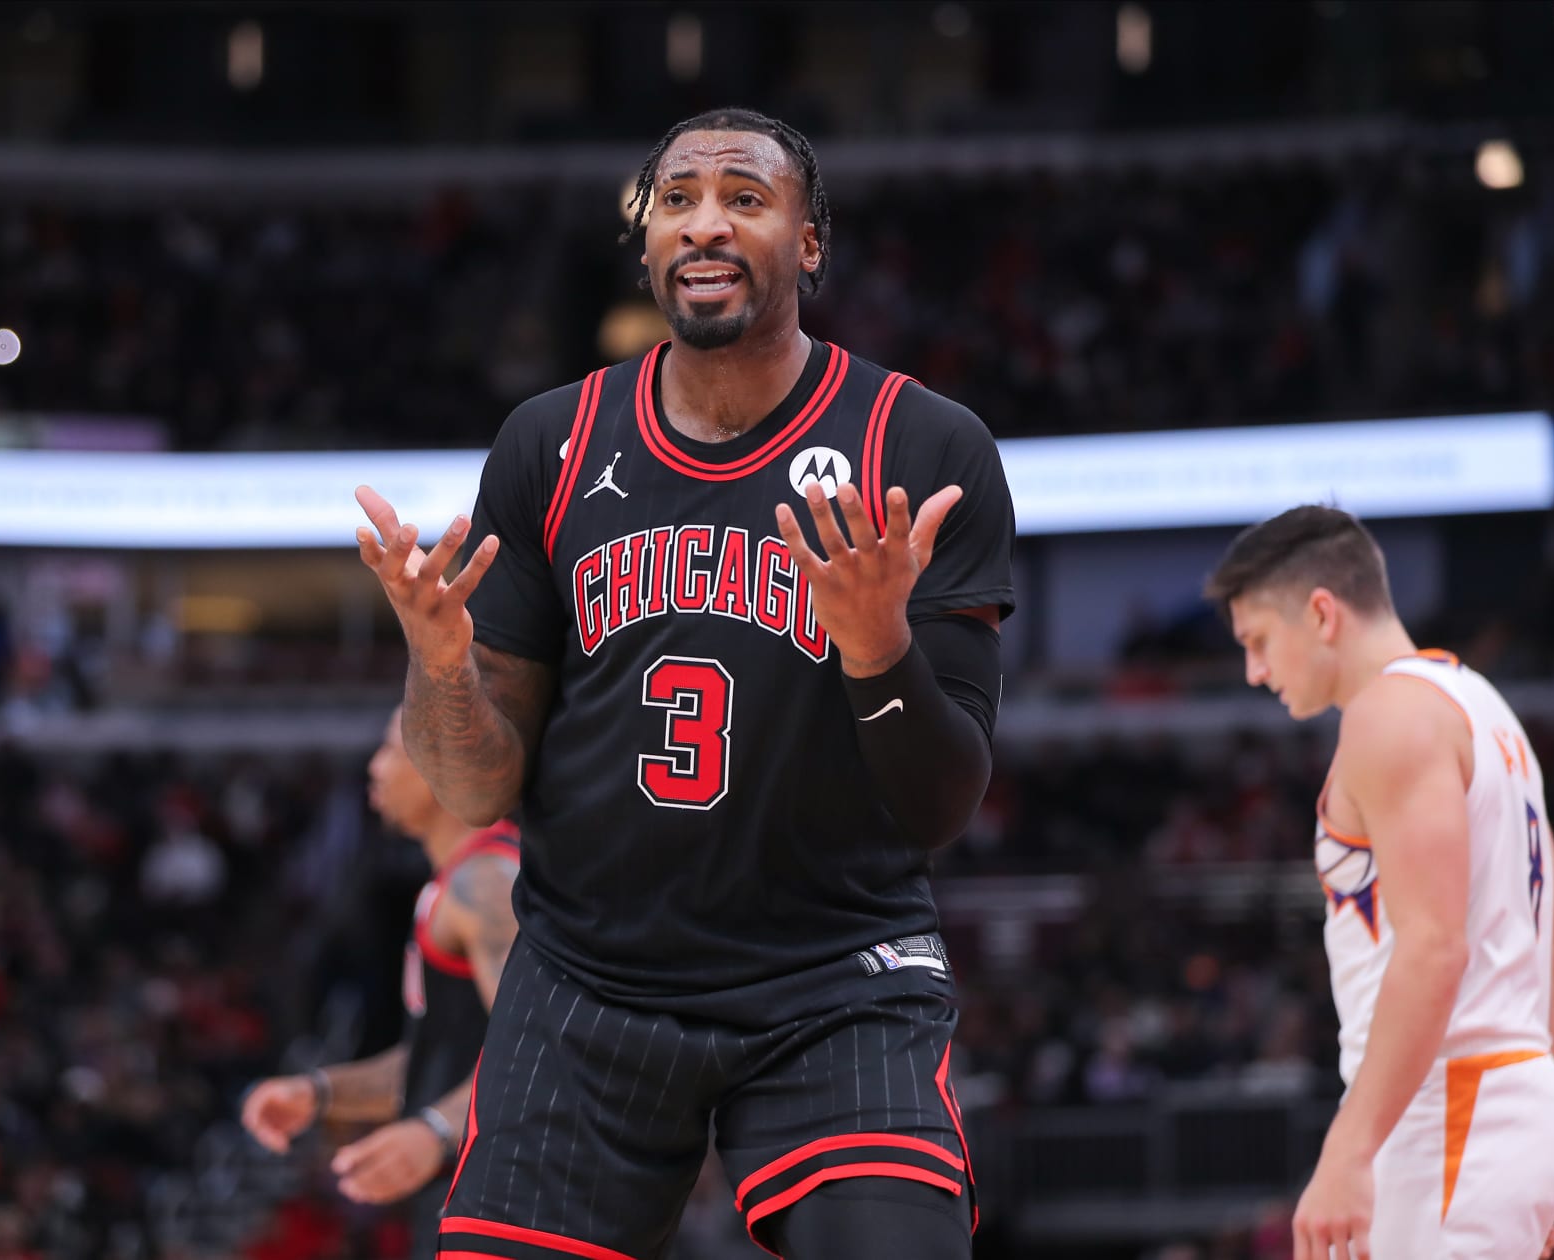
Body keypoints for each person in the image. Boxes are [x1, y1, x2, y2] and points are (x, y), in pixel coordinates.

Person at [355, 106, 1014, 1260]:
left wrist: (877, 649)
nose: (705, 223)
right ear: (648, 238)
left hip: (834, 972)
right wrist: (441, 665)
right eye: (678, 200)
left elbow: (942, 808)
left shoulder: (922, 445)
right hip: (590, 976)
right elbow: (472, 788)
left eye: (745, 199)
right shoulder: (548, 444)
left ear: (811, 244)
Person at [1204, 505, 1554, 1260]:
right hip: (1495, 1102)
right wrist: (1523, 1126)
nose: (1254, 671)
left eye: (1258, 641)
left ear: (1320, 612)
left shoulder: (1387, 717)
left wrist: (1348, 1150)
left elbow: (1436, 948)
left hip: (1454, 1105)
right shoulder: (1483, 705)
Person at [240, 708, 519, 1260]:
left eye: (393, 749)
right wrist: (320, 1092)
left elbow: (537, 1054)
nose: (376, 767)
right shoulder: (450, 887)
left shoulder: (485, 886)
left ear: (449, 769)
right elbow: (432, 1064)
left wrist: (435, 1132)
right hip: (458, 1203)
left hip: (506, 1209)